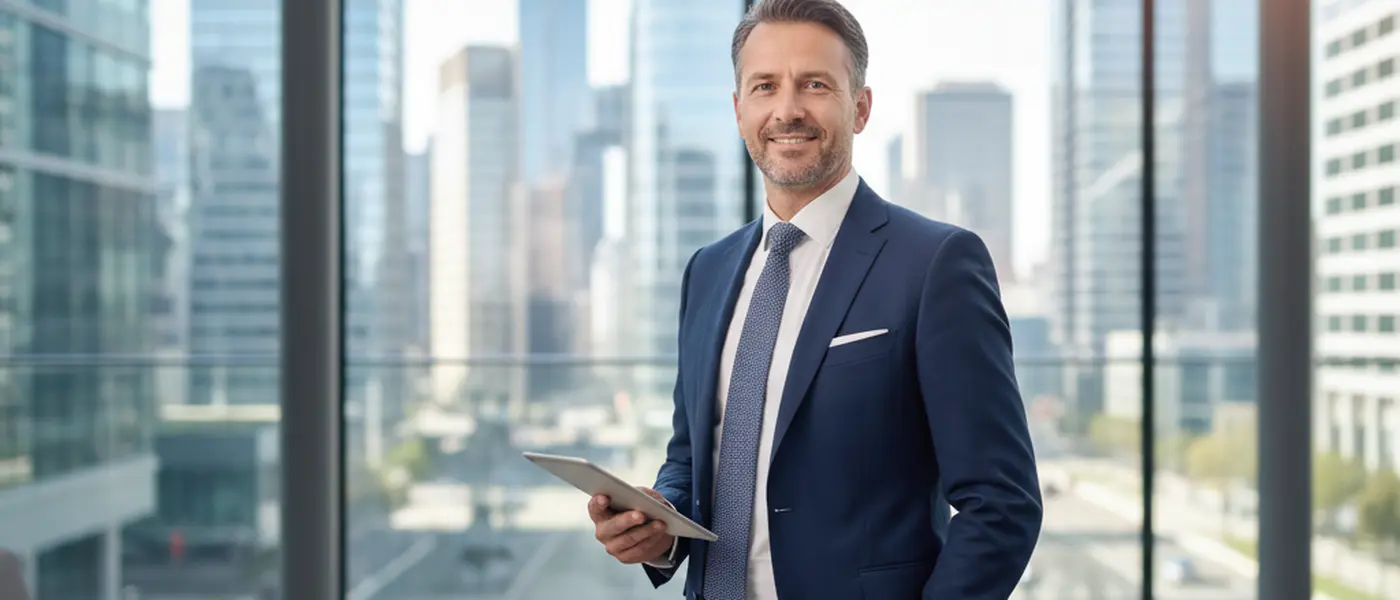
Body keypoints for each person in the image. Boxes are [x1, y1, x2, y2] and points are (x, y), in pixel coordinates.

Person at [587, 0, 1043, 598]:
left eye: (815, 85)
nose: (787, 110)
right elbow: (693, 459)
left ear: (860, 106)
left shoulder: (936, 264)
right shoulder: (708, 271)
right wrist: (658, 526)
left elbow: (1001, 503)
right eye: (765, 86)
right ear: (739, 110)